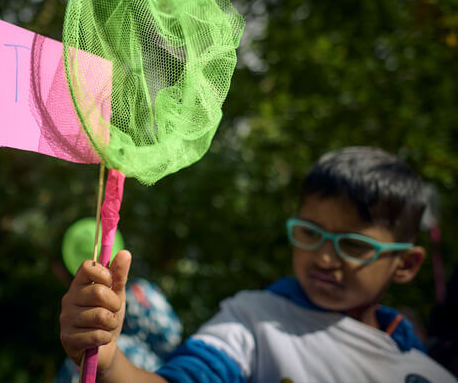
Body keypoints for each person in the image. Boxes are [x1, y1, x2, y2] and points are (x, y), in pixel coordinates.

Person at [59, 146, 457, 382]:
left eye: (353, 245)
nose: (324, 256)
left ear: (405, 264)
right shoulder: (252, 321)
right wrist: (109, 359)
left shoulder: (428, 372)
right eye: (310, 233)